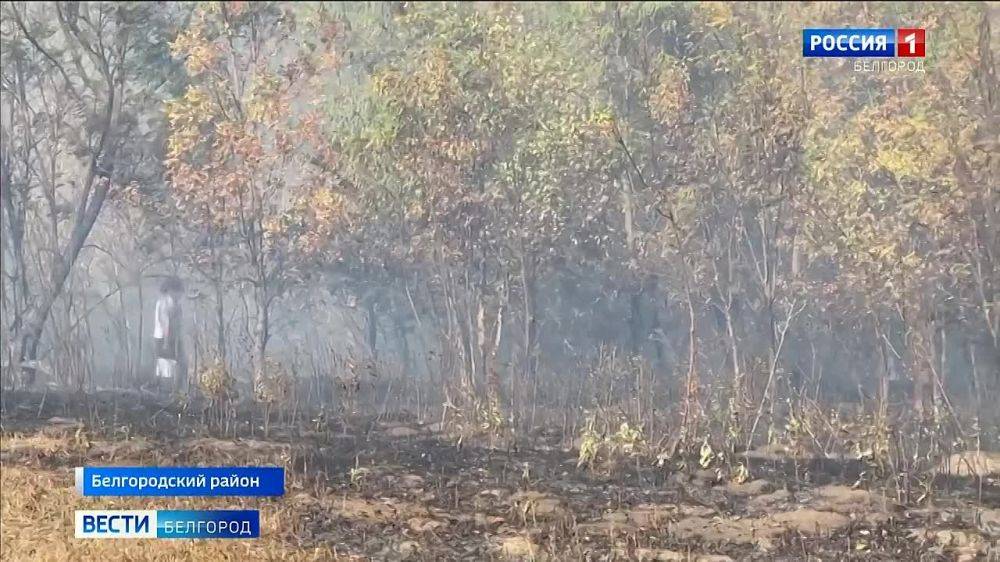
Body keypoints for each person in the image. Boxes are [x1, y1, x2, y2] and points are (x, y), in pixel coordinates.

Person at [152, 276, 184, 396]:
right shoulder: (166, 303)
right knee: (168, 365)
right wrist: (167, 341)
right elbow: (166, 323)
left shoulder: (165, 302)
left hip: (167, 337)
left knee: (167, 364)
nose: (179, 294)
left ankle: (167, 391)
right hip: (165, 338)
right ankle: (166, 393)